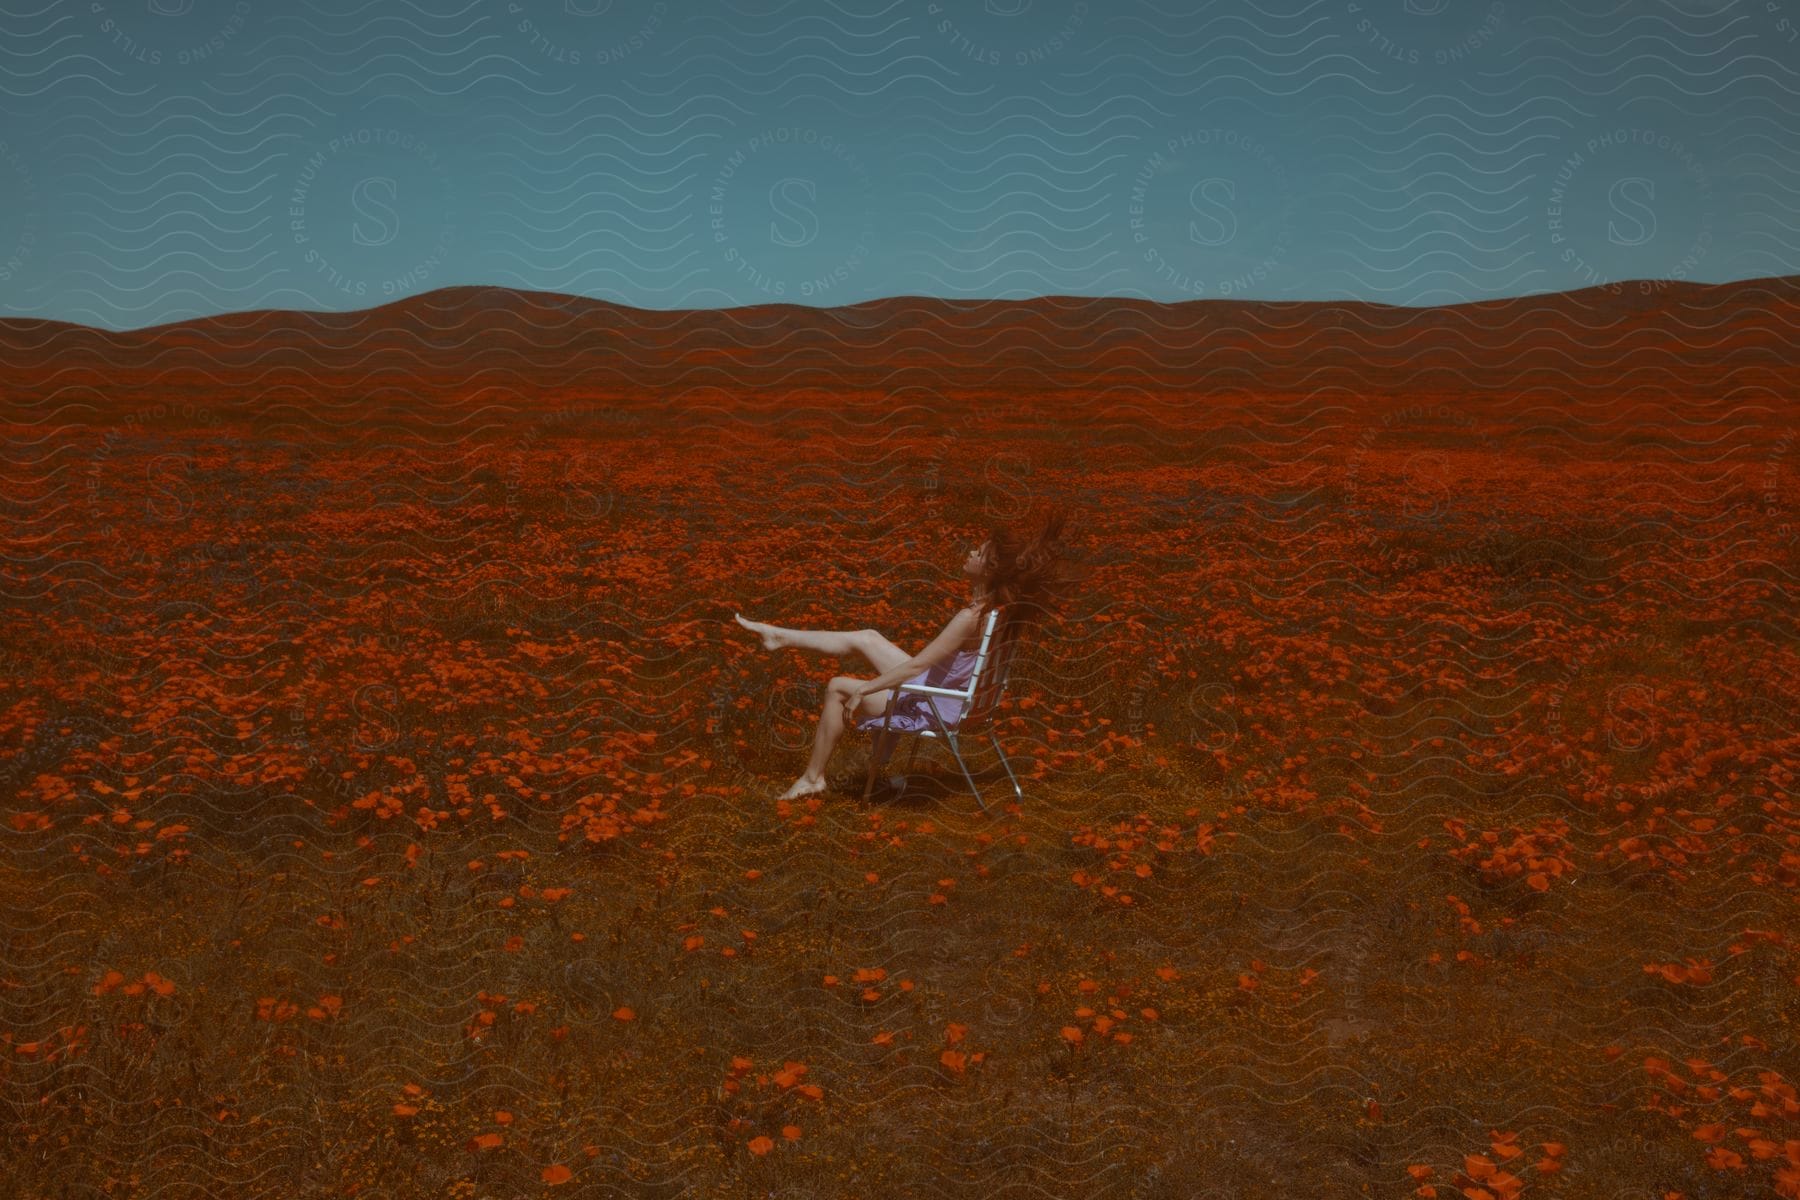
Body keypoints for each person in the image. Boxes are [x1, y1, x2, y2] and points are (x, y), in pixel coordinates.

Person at [734, 506, 1086, 800]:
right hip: (952, 695)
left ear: (990, 570)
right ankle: (779, 636)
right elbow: (919, 666)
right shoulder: (994, 611)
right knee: (868, 637)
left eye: (977, 553)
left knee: (839, 687)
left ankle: (814, 779)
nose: (970, 554)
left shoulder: (970, 618)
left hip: (936, 702)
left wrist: (865, 688)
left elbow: (916, 666)